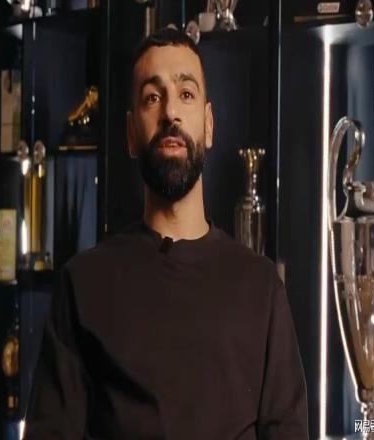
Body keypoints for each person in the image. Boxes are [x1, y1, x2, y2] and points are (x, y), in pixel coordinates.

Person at [24, 28, 308, 440]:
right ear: (130, 133)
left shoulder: (261, 286)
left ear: (208, 125)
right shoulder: (83, 284)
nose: (170, 112)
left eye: (186, 94)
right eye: (152, 98)